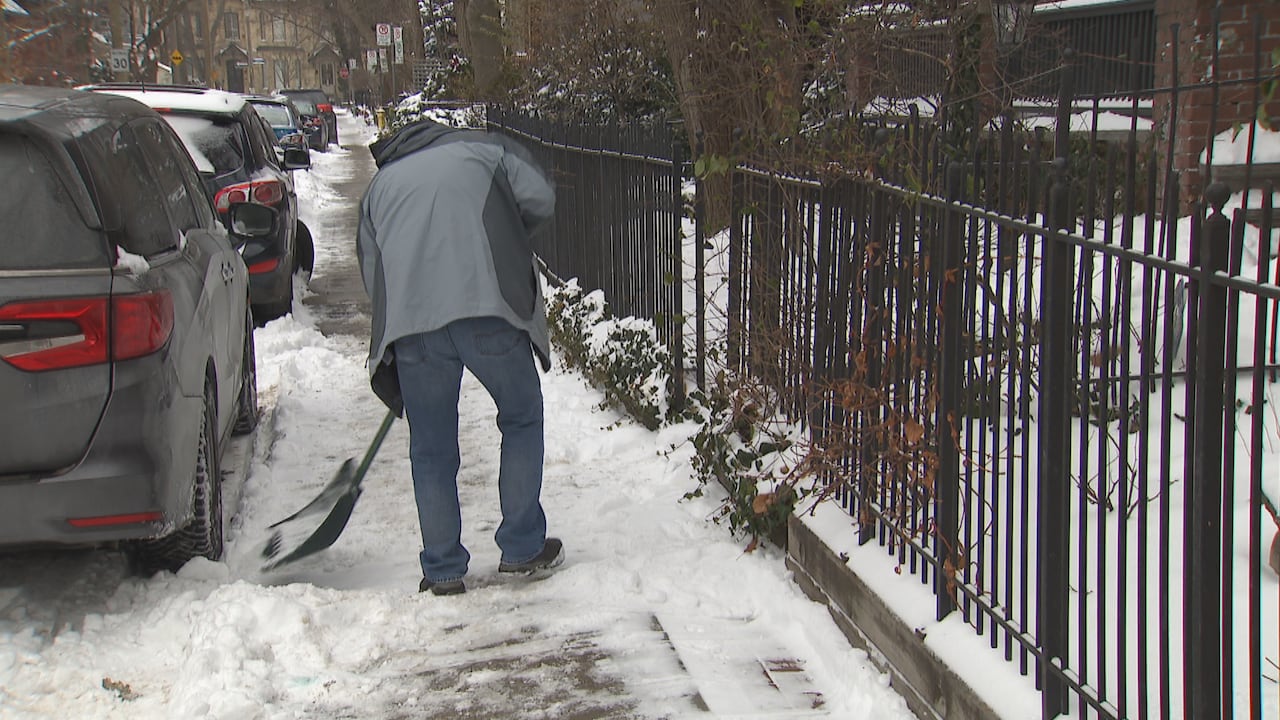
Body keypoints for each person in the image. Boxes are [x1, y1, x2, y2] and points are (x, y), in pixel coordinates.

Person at [356, 116, 560, 596]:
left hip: (416, 329)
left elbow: (372, 268)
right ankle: (522, 547)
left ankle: (443, 569)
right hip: (489, 308)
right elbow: (541, 198)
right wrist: (507, 230)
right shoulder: (485, 153)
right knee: (521, 417)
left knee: (431, 448)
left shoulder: (379, 188)